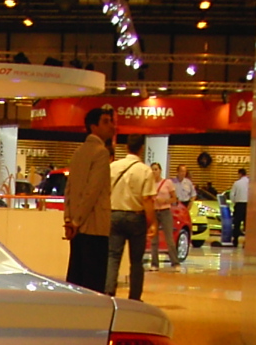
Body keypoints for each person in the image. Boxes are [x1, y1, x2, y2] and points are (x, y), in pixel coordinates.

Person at [63, 105, 114, 291]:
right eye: (105, 122)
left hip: (77, 227)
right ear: (93, 127)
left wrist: (69, 220)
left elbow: (69, 189)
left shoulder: (78, 152)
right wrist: (77, 221)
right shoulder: (101, 152)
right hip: (94, 225)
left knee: (77, 277)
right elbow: (93, 191)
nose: (111, 126)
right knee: (94, 280)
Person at [106, 135, 157, 300]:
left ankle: (108, 293)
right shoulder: (145, 171)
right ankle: (134, 297)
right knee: (136, 261)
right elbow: (147, 199)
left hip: (114, 215)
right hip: (136, 218)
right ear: (142, 148)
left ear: (126, 147)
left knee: (113, 256)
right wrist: (152, 222)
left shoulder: (113, 167)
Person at [149, 162, 181, 270]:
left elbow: (174, 198)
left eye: (156, 169)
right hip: (154, 211)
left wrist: (165, 200)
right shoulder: (149, 184)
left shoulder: (167, 183)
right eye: (152, 169)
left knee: (169, 238)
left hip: (165, 211)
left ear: (160, 170)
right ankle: (154, 263)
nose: (154, 171)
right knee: (154, 239)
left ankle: (175, 263)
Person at [229, 167, 250, 247]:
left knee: (237, 224)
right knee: (247, 224)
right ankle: (246, 241)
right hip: (248, 205)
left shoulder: (237, 183)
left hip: (239, 205)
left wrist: (234, 202)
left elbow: (232, 195)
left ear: (240, 174)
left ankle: (235, 241)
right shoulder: (250, 183)